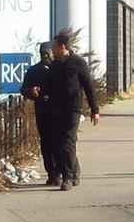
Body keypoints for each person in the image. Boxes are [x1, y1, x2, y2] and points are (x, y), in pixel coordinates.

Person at [20, 30, 102, 189]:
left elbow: (89, 87)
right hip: (56, 109)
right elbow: (49, 87)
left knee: (67, 141)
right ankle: (65, 172)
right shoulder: (55, 66)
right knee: (58, 143)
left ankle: (69, 177)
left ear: (61, 46)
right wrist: (37, 92)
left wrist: (95, 110)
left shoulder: (78, 63)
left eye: (54, 47)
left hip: (73, 108)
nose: (51, 51)